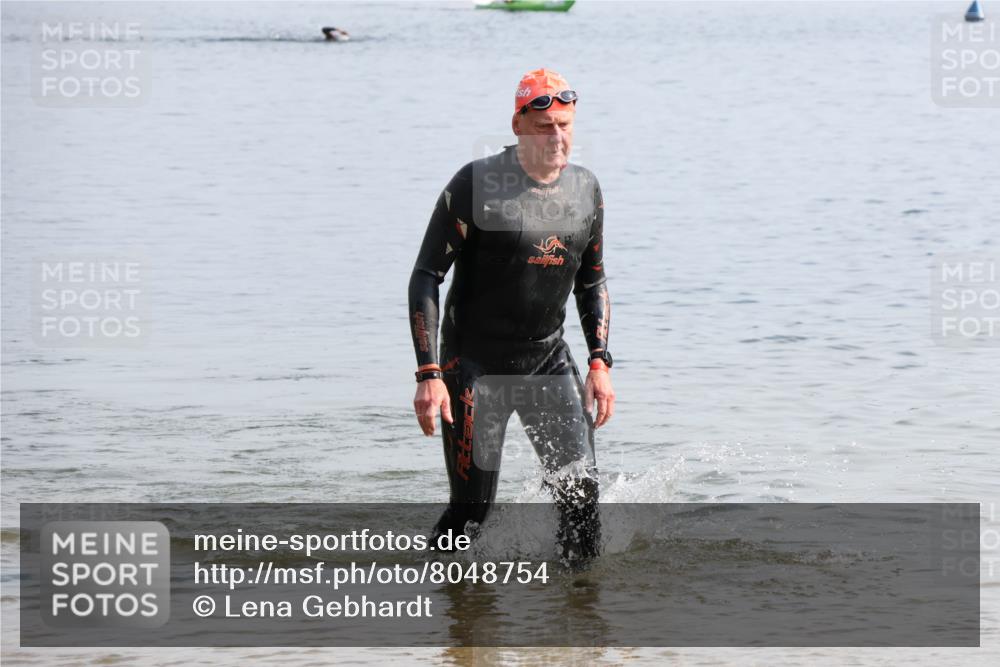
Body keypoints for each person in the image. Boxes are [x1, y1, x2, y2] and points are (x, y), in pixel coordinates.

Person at [408, 68, 614, 565]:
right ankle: (429, 603)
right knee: (472, 512)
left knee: (581, 499)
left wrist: (600, 363)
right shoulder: (477, 184)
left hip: (547, 361)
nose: (557, 136)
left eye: (565, 124)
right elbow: (426, 276)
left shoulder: (585, 190)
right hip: (474, 367)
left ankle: (579, 626)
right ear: (519, 125)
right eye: (545, 127)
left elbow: (593, 280)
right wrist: (429, 374)